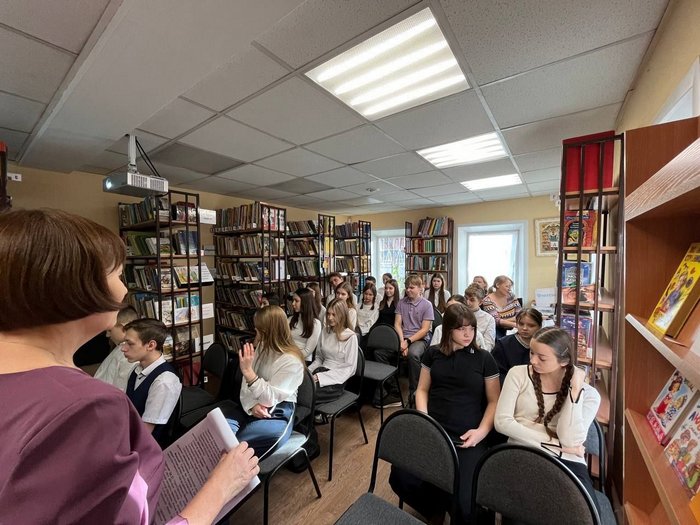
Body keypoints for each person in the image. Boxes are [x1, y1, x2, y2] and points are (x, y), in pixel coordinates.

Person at [0, 208, 258, 524]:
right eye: (118, 275)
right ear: (77, 287)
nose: (124, 290)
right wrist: (221, 487)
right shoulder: (86, 409)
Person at [390, 304, 500, 524]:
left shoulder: (484, 359)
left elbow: (494, 401)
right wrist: (425, 420)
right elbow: (422, 390)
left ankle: (451, 504)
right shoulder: (433, 354)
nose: (468, 334)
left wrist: (481, 432)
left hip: (468, 436)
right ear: (449, 329)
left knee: (466, 505)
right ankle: (435, 507)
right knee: (400, 477)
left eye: (471, 328)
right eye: (461, 329)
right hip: (435, 429)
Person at [494, 327, 601, 508]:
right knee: (522, 509)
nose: (533, 361)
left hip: (567, 460)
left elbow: (569, 438)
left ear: (564, 361)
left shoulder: (589, 395)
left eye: (542, 358)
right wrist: (556, 444)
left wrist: (575, 391)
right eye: (531, 352)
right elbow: (502, 423)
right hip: (523, 451)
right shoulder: (517, 374)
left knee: (582, 511)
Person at [223, 305, 305, 459]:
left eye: (258, 331)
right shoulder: (263, 345)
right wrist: (251, 405)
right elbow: (246, 383)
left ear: (268, 332)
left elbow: (270, 398)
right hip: (254, 401)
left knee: (237, 450)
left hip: (278, 409)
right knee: (220, 437)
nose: (256, 335)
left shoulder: (292, 361)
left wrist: (249, 373)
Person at [122, 318, 182, 442]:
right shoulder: (136, 369)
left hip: (149, 445)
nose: (123, 348)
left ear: (150, 345)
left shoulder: (164, 382)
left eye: (130, 344)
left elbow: (144, 435)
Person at [309, 299, 358, 404]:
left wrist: (320, 377)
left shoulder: (350, 337)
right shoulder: (325, 331)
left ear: (342, 315)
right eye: (328, 314)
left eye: (334, 314)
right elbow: (319, 358)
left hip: (336, 380)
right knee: (298, 387)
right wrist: (308, 372)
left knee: (306, 394)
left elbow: (349, 369)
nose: (330, 317)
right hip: (320, 371)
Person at [393, 274, 434, 402]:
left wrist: (407, 342)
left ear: (420, 288)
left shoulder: (427, 305)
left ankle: (415, 393)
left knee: (413, 354)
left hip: (420, 338)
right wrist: (402, 342)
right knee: (381, 352)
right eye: (406, 287)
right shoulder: (401, 302)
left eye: (411, 287)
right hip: (403, 337)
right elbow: (397, 324)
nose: (408, 290)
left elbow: (424, 330)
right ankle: (392, 388)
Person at [491, 308, 543, 384]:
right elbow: (496, 373)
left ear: (539, 326)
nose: (525, 328)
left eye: (531, 325)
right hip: (509, 385)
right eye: (521, 324)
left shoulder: (544, 345)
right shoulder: (503, 344)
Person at [94, 305, 139, 391]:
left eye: (109, 330)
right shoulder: (120, 348)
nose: (107, 335)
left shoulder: (128, 355)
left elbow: (121, 389)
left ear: (124, 328)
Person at [482, 275, 522, 339]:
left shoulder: (511, 296)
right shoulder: (487, 300)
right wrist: (515, 324)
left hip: (512, 329)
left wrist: (502, 321)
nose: (509, 289)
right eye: (507, 286)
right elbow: (494, 321)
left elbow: (520, 315)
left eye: (510, 287)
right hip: (496, 331)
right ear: (497, 285)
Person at [288, 287, 322, 363]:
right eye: (293, 300)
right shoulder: (290, 319)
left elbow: (307, 351)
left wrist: (289, 357)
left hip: (303, 360)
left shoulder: (316, 324)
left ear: (305, 302)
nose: (293, 304)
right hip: (288, 356)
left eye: (296, 301)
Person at [464, 284, 496, 352]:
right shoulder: (458, 314)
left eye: (472, 300)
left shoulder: (489, 319)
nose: (467, 303)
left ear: (480, 302)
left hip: (478, 353)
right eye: (466, 299)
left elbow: (488, 345)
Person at [357, 283, 379, 350]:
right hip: (356, 332)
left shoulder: (376, 308)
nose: (367, 297)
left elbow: (371, 324)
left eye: (370, 295)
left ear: (374, 296)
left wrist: (361, 333)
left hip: (367, 334)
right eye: (366, 294)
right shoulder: (357, 306)